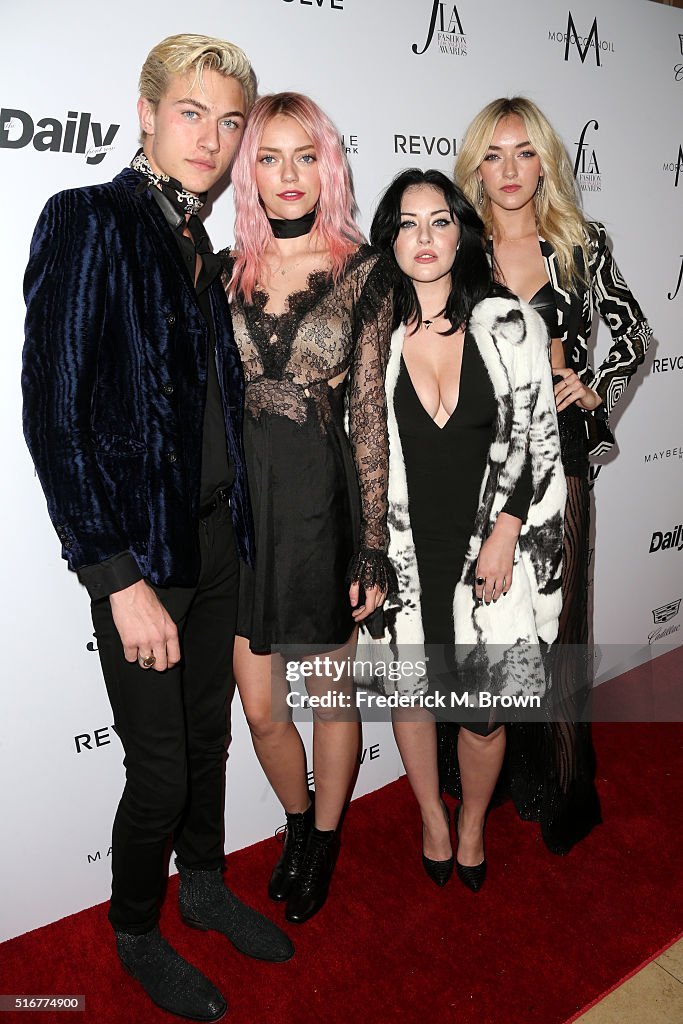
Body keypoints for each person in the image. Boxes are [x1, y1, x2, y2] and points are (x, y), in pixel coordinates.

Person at [22, 34, 294, 1023]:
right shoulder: (87, 221)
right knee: (161, 767)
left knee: (208, 741)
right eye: (192, 113)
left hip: (216, 539)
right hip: (140, 556)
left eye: (230, 123)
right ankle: (136, 926)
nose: (212, 140)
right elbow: (52, 411)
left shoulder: (201, 244)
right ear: (144, 111)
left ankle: (207, 885)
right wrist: (115, 574)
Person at [454, 97, 651, 853]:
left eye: (524, 152)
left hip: (561, 457)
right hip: (477, 462)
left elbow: (636, 330)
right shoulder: (458, 246)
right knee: (490, 627)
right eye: (493, 154)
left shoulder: (579, 241)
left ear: (544, 161)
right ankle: (493, 775)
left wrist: (596, 385)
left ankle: (562, 786)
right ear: (476, 164)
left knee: (561, 629)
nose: (509, 170)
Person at [369, 168, 566, 891]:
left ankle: (475, 820)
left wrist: (508, 529)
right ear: (388, 238)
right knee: (413, 697)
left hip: (488, 552)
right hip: (404, 552)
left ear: (461, 231)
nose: (424, 238)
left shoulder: (510, 325)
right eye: (408, 223)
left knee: (485, 715)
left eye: (439, 220)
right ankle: (430, 814)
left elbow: (538, 440)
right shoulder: (374, 337)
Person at [225, 92, 395, 923]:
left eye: (303, 156)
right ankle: (297, 821)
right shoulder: (224, 270)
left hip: (323, 511)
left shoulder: (362, 271)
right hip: (242, 514)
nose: (287, 175)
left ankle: (324, 836)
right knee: (260, 709)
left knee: (332, 696)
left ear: (325, 163)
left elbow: (370, 417)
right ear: (247, 169)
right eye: (268, 156)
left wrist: (371, 547)